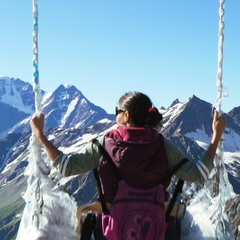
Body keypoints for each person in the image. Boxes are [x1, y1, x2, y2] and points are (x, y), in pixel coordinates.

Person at [30, 91, 227, 240]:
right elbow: (200, 174)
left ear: (126, 116)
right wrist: (216, 135)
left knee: (86, 220)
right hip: (158, 232)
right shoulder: (163, 146)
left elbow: (66, 167)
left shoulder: (103, 144)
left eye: (117, 111)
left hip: (110, 233)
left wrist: (41, 136)